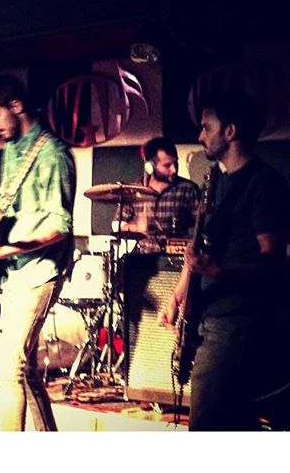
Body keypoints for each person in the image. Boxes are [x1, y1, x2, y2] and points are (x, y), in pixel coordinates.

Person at [160, 90, 290, 430]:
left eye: (207, 127)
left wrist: (219, 270)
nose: (200, 135)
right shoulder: (216, 182)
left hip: (238, 322)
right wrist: (178, 294)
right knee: (233, 422)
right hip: (210, 314)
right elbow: (200, 249)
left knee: (206, 425)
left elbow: (273, 261)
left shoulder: (264, 184)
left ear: (230, 131)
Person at [0, 75, 76, 431]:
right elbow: (9, 212)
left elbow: (59, 227)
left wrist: (3, 250)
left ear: (16, 106)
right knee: (24, 370)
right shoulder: (13, 148)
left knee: (6, 368)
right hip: (16, 269)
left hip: (41, 271)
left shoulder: (53, 155)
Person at [118, 136, 200, 253]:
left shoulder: (188, 189)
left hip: (175, 259)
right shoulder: (134, 190)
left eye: (175, 163)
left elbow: (202, 227)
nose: (174, 169)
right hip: (143, 259)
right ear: (150, 167)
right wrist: (137, 228)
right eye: (167, 165)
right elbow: (118, 224)